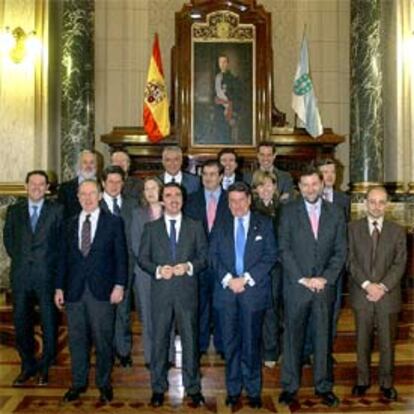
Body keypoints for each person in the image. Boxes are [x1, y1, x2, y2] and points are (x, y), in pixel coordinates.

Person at [278, 166, 346, 407]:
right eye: (305, 185)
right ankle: (289, 386)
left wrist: (325, 278)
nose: (310, 189)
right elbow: (283, 249)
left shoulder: (336, 212)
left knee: (323, 338)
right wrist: (303, 279)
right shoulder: (287, 211)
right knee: (292, 338)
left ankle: (324, 386)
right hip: (297, 286)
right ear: (299, 187)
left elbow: (340, 251)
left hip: (324, 287)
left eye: (314, 184)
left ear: (322, 183)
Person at [55, 180, 128, 404]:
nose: (87, 198)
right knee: (76, 341)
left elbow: (121, 258)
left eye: (92, 193)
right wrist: (59, 287)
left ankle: (104, 383)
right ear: (78, 197)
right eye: (83, 194)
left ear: (99, 195)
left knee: (103, 340)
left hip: (103, 292)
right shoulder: (68, 224)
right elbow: (62, 259)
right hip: (74, 292)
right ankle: (78, 383)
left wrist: (119, 285)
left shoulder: (114, 223)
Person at [138, 183, 208, 407]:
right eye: (168, 195)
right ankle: (158, 388)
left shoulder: (195, 226)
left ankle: (193, 387)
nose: (173, 199)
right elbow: (143, 258)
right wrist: (158, 270)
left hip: (187, 293)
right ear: (162, 200)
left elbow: (204, 257)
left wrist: (188, 266)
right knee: (159, 342)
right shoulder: (151, 228)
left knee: (190, 341)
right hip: (161, 293)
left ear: (183, 199)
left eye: (177, 195)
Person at [210, 182, 277, 409]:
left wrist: (246, 279)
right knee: (230, 345)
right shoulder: (219, 225)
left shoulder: (264, 224)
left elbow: (270, 256)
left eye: (241, 200)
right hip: (226, 294)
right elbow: (213, 257)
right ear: (228, 203)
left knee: (251, 344)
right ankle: (233, 389)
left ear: (249, 200)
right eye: (232, 201)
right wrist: (229, 280)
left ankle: (254, 390)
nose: (237, 205)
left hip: (253, 293)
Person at [3, 170, 63, 386]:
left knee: (49, 323)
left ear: (47, 188)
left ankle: (45, 366)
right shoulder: (14, 210)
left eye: (41, 184)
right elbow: (9, 241)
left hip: (46, 276)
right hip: (20, 277)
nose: (37, 187)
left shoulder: (57, 210)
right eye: (33, 184)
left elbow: (61, 244)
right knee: (21, 322)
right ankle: (27, 365)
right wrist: (23, 260)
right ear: (26, 186)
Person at [349, 186, 406, 401]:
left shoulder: (397, 230)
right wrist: (367, 285)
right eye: (372, 201)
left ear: (387, 204)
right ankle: (362, 380)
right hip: (361, 293)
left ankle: (386, 383)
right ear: (365, 203)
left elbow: (399, 264)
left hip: (387, 296)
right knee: (362, 341)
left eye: (381, 202)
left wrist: (381, 287)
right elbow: (350, 260)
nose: (376, 206)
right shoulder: (352, 229)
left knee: (387, 343)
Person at [301, 158, 351, 366]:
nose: (329, 176)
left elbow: (344, 237)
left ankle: (325, 351)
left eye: (332, 172)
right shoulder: (304, 198)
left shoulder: (343, 200)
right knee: (307, 313)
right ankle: (307, 350)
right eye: (325, 172)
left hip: (332, 270)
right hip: (308, 271)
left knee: (331, 312)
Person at [185, 160, 232, 357]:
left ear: (221, 177)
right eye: (205, 174)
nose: (209, 178)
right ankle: (201, 345)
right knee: (200, 305)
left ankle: (222, 345)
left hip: (224, 263)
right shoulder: (191, 199)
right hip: (199, 262)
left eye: (213, 174)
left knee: (222, 306)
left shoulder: (232, 199)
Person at [130, 176, 176, 369]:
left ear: (160, 190)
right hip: (145, 273)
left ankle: (169, 355)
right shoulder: (138, 214)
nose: (150, 192)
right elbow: (136, 245)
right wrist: (154, 267)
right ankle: (151, 357)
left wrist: (168, 267)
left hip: (170, 272)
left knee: (169, 315)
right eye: (146, 189)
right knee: (148, 316)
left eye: (153, 188)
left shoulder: (172, 211)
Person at [100, 165, 136, 368]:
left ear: (123, 183)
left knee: (123, 311)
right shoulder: (94, 205)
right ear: (103, 183)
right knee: (103, 313)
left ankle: (123, 351)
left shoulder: (132, 204)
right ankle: (105, 351)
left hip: (128, 266)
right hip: (102, 268)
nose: (114, 186)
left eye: (118, 182)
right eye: (110, 182)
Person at [251, 170, 285, 368]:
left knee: (275, 309)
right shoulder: (251, 210)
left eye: (269, 184)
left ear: (275, 187)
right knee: (259, 310)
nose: (266, 189)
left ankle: (272, 350)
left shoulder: (284, 209)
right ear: (255, 189)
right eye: (261, 185)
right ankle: (259, 349)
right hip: (257, 268)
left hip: (279, 267)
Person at [57, 149, 97, 218]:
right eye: (85, 162)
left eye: (92, 162)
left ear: (96, 166)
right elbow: (61, 216)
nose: (88, 166)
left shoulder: (103, 187)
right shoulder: (65, 189)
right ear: (79, 165)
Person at [214, 54, 241, 143]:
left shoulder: (233, 78)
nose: (222, 64)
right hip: (218, 111)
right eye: (220, 62)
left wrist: (231, 109)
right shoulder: (216, 77)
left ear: (228, 63)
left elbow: (236, 96)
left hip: (230, 110)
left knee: (229, 133)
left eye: (224, 62)